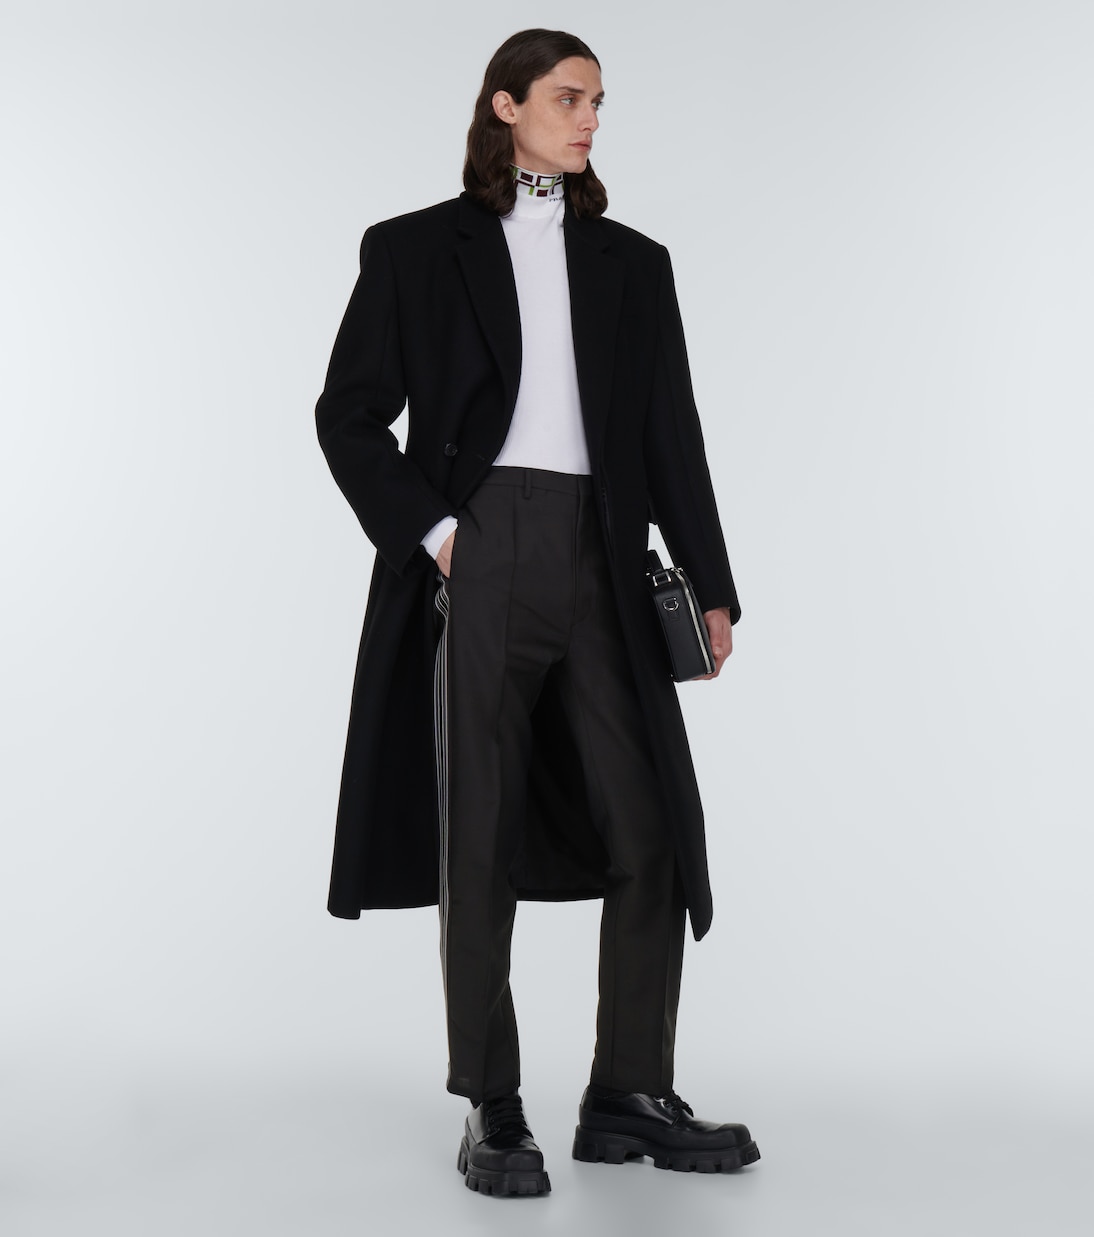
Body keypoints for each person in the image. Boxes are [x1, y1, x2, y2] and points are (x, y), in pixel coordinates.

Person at [315, 28, 759, 1197]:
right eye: (569, 98)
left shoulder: (632, 264)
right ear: (506, 105)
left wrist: (709, 581)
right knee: (479, 831)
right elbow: (348, 415)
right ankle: (491, 1103)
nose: (590, 119)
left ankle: (627, 1093)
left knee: (649, 827)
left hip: (606, 556)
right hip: (484, 548)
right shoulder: (415, 249)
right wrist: (441, 535)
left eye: (598, 102)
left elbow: (669, 434)